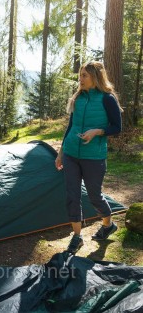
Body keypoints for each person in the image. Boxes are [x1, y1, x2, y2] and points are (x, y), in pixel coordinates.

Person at [55, 61, 122, 254]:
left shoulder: (107, 99)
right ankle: (77, 237)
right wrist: (61, 152)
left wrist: (97, 131)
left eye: (84, 75)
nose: (80, 79)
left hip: (93, 156)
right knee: (72, 196)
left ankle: (108, 225)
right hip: (71, 154)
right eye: (80, 75)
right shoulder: (78, 97)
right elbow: (71, 126)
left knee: (94, 196)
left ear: (95, 77)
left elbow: (117, 127)